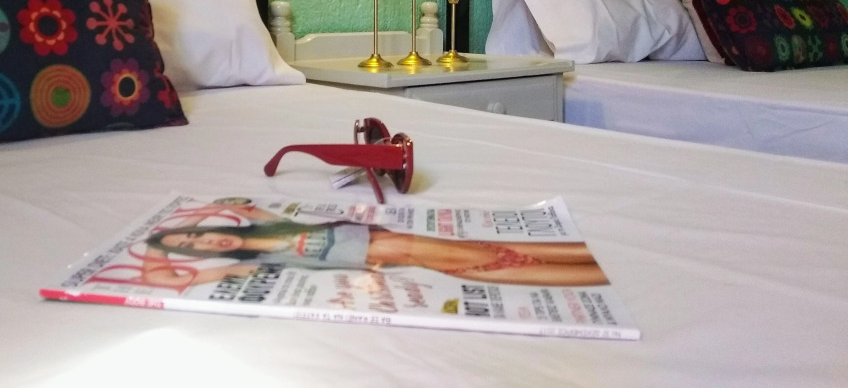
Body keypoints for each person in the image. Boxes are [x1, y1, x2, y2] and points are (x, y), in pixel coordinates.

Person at [137, 201, 608, 290]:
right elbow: (160, 277)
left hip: (379, 239)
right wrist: (169, 237)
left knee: (483, 253)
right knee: (484, 263)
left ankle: (585, 261)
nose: (206, 239)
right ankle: (589, 273)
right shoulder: (246, 257)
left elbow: (243, 209)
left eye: (199, 233)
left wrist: (194, 220)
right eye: (197, 245)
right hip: (378, 254)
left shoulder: (260, 225)